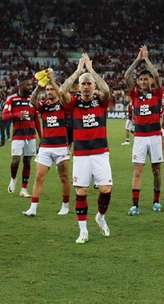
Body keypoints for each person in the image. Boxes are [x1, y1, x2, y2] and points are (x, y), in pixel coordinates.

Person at [60, 53, 112, 244]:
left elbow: (106, 89)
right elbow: (61, 91)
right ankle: (83, 231)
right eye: (83, 84)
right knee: (81, 192)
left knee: (106, 190)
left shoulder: (101, 101)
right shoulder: (74, 104)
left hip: (100, 153)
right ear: (78, 87)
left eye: (89, 83)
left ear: (94, 86)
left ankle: (100, 216)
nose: (87, 86)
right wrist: (77, 72)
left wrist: (91, 71)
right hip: (81, 154)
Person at [22, 69, 71, 216]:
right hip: (45, 147)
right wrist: (40, 85)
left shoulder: (63, 104)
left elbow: (63, 95)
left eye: (51, 89)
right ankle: (33, 208)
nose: (49, 92)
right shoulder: (43, 105)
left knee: (63, 178)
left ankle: (65, 205)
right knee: (39, 177)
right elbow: (32, 102)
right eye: (48, 89)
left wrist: (53, 80)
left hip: (61, 147)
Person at [125, 46, 164, 215]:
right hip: (140, 137)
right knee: (138, 170)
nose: (143, 82)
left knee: (156, 170)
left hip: (155, 136)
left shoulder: (157, 94)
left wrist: (146, 59)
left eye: (146, 79)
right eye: (141, 79)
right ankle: (135, 205)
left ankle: (156, 201)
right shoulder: (134, 95)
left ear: (150, 82)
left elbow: (156, 75)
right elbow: (127, 76)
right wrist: (137, 59)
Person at [2, 75, 41, 197]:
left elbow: (36, 120)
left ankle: (24, 189)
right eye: (28, 85)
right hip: (18, 135)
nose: (30, 87)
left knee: (27, 162)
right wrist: (17, 114)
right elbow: (4, 116)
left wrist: (42, 137)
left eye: (31, 85)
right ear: (20, 85)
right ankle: (13, 180)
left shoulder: (32, 100)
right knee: (15, 160)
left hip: (31, 136)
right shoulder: (12, 99)